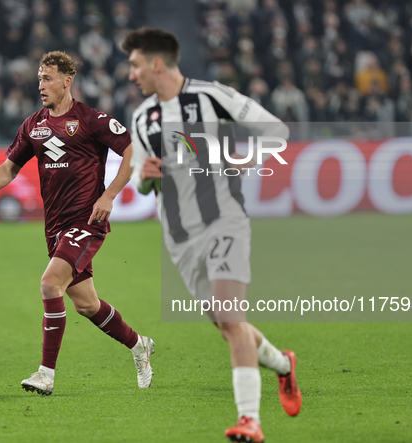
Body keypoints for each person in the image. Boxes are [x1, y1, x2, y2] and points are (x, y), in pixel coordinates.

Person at [122, 28, 301, 443]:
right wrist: (144, 178)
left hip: (225, 222)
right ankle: (284, 364)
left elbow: (276, 131)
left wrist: (247, 158)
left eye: (134, 65)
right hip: (180, 240)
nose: (131, 75)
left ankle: (249, 420)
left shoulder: (211, 96)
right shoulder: (141, 117)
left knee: (230, 317)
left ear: (157, 63)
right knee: (226, 324)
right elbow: (141, 181)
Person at [0, 51, 155, 395]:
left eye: (47, 79)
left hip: (87, 220)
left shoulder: (91, 119)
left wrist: (108, 195)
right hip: (55, 228)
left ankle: (45, 374)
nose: (40, 85)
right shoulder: (33, 124)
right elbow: (10, 167)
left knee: (50, 285)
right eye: (38, 79)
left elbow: (132, 150)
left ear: (68, 81)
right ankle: (139, 346)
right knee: (86, 304)